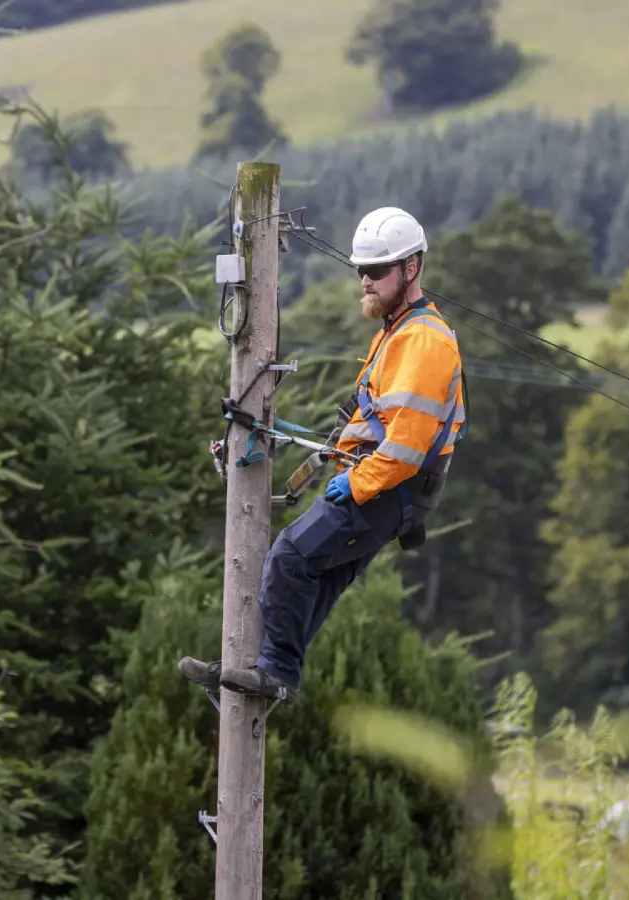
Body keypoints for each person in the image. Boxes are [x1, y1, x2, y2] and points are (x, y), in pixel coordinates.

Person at [179, 206, 467, 700]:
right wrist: (314, 447)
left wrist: (353, 484)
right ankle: (261, 668)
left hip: (387, 486)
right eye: (361, 271)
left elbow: (406, 445)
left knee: (290, 558)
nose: (366, 281)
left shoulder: (422, 341)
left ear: (411, 268)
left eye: (377, 271)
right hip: (389, 487)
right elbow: (377, 421)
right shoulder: (398, 332)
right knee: (316, 574)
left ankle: (275, 673)